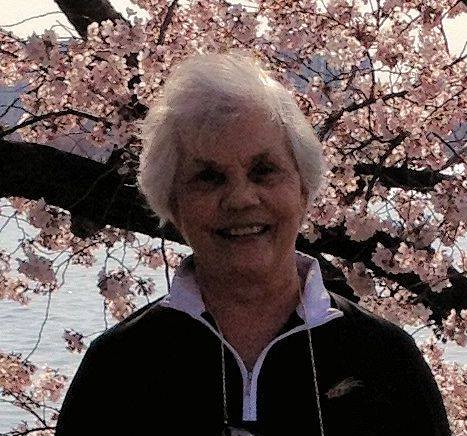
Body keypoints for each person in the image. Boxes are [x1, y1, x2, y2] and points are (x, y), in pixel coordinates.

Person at [55, 51, 451, 436]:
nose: (241, 199)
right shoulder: (118, 367)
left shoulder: (386, 360)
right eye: (209, 177)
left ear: (303, 189)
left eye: (264, 171)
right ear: (173, 204)